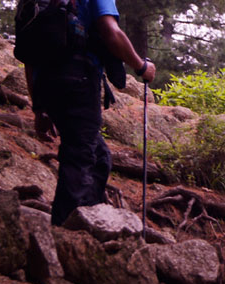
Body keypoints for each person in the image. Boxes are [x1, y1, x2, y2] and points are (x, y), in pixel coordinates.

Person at [25, 0, 156, 225]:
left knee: (99, 157)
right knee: (79, 160)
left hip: (47, 84)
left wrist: (39, 107)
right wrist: (141, 66)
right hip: (80, 81)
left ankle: (88, 222)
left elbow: (29, 54)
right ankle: (64, 234)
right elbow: (110, 31)